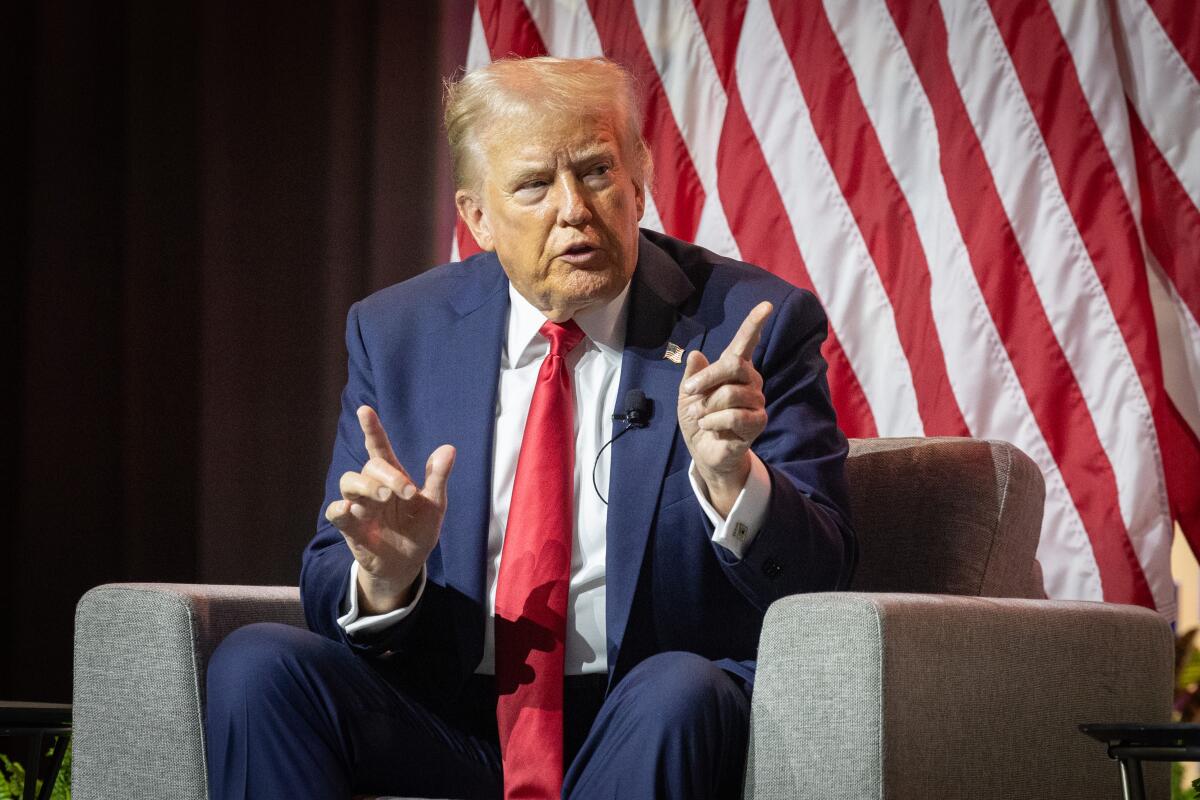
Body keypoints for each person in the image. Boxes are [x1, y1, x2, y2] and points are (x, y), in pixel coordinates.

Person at [204, 56, 855, 799]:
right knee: (258, 667)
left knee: (678, 689)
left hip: (648, 714)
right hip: (453, 721)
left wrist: (731, 480)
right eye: (534, 185)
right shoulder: (398, 333)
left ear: (639, 178)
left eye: (596, 171)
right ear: (477, 216)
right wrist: (385, 582)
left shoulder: (748, 324)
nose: (573, 208)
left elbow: (823, 578)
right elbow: (330, 571)